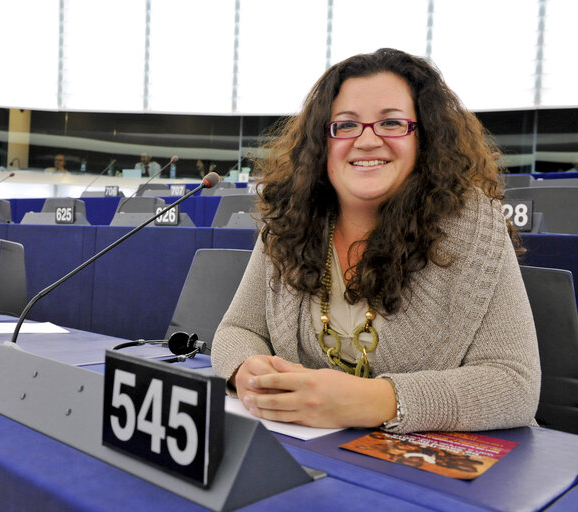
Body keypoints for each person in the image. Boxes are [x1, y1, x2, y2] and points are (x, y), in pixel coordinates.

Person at [211, 48, 540, 434]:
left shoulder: (473, 225)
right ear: (322, 142)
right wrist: (247, 370)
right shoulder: (289, 219)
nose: (367, 141)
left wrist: (374, 402)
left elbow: (515, 384)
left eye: (392, 123)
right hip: (310, 455)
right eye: (346, 125)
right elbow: (236, 331)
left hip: (435, 473)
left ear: (424, 138)